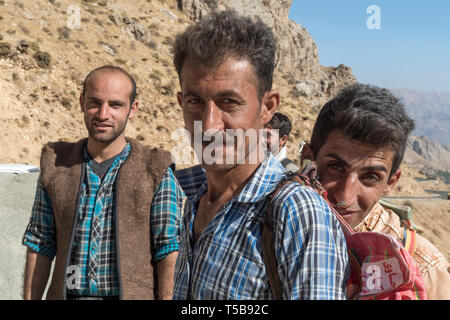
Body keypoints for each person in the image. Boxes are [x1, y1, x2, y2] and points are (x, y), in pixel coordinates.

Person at [166, 11, 349, 300]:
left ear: (267, 107)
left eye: (229, 102)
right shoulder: (193, 200)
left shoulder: (296, 213)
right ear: (181, 103)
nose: (210, 124)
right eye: (194, 101)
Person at [22, 65, 173, 300]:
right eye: (94, 102)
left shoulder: (155, 169)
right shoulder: (56, 166)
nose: (103, 114)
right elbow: (40, 242)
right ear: (82, 102)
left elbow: (168, 248)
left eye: (115, 105)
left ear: (132, 109)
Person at [300, 83, 450, 299]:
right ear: (307, 159)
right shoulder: (265, 227)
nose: (345, 196)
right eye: (335, 167)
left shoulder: (424, 269)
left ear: (390, 182)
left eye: (370, 177)